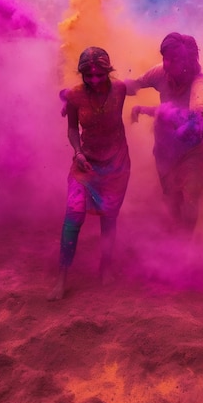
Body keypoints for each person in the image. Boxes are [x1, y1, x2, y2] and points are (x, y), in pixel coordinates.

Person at [126, 32, 203, 238]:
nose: (167, 64)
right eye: (165, 58)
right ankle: (175, 232)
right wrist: (108, 84)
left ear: (189, 61)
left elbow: (197, 105)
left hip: (195, 149)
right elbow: (136, 85)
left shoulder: (199, 81)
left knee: (191, 195)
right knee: (170, 194)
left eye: (173, 60)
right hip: (166, 147)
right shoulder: (159, 72)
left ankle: (186, 242)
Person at [48, 47, 131, 301]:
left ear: (108, 71)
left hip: (116, 164)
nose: (94, 80)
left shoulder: (120, 90)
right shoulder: (75, 96)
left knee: (109, 216)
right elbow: (73, 129)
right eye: (88, 75)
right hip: (85, 163)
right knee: (73, 215)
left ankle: (105, 268)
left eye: (99, 75)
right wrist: (78, 151)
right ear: (82, 74)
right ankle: (62, 277)